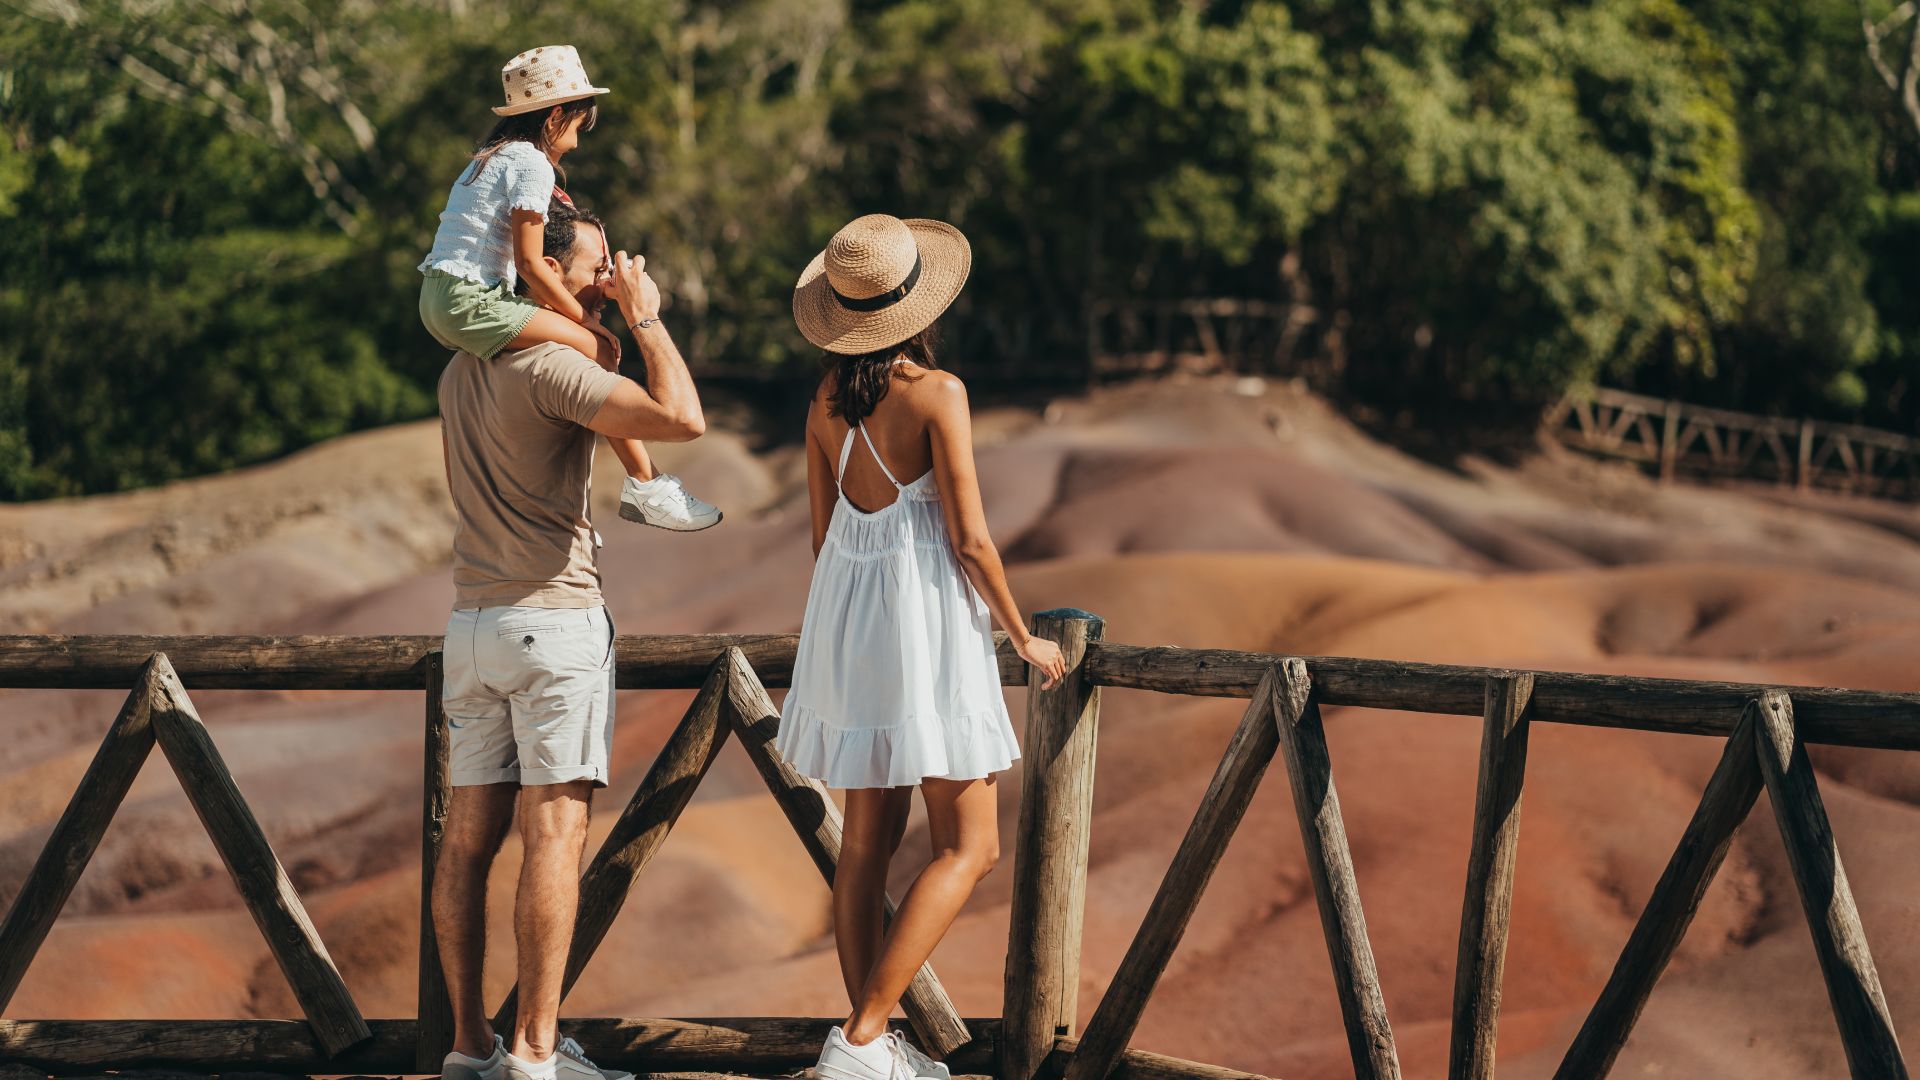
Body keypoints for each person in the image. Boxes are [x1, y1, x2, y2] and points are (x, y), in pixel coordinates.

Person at [775, 214, 1068, 1080]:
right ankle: (863, 1038)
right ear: (918, 303)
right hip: (928, 626)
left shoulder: (825, 403)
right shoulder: (939, 394)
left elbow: (824, 535)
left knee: (864, 846)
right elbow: (972, 540)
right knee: (970, 846)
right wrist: (1024, 637)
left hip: (850, 622)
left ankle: (861, 1047)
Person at [431, 201, 706, 1080]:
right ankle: (537, 1052)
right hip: (553, 620)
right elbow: (683, 418)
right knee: (553, 837)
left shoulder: (459, 373)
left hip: (471, 626)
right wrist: (645, 314)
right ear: (538, 273)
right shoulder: (551, 368)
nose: (601, 278)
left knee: (466, 842)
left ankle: (470, 1046)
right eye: (590, 266)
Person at [417, 44, 719, 531]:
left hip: (438, 295)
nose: (578, 140)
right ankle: (647, 485)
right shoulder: (531, 164)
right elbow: (532, 265)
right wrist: (587, 324)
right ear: (557, 115)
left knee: (585, 342)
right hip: (469, 300)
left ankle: (646, 482)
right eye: (580, 124)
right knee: (599, 351)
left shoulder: (489, 158)